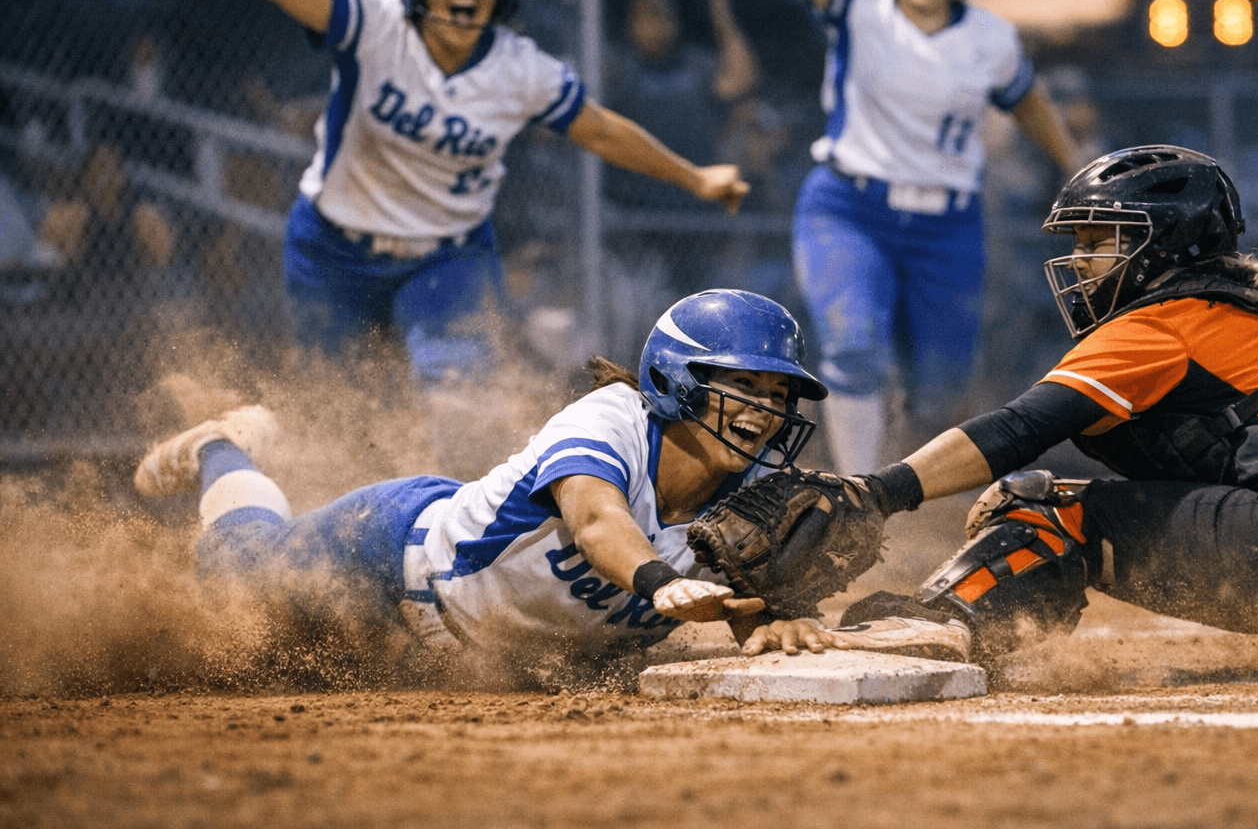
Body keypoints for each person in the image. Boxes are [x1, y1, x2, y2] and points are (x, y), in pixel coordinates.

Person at [847, 145, 1258, 668]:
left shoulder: (1165, 320)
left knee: (1035, 506)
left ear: (1163, 244)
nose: (1079, 261)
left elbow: (1020, 429)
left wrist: (878, 492)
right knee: (1205, 446)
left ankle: (941, 621)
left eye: (1097, 241)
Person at [202, 0, 750, 393]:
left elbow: (602, 131)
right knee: (339, 393)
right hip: (334, 247)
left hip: (446, 255)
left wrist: (695, 177)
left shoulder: (520, 67)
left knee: (458, 388)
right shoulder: (373, 21)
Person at [131, 289, 854, 678]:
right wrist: (659, 582)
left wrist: (773, 617)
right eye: (744, 386)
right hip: (385, 557)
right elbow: (596, 521)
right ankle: (220, 447)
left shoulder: (757, 495)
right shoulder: (613, 419)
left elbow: (744, 600)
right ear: (674, 381)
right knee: (233, 567)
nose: (766, 410)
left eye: (779, 393)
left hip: (464, 654)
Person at [773, 0, 1079, 473]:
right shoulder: (861, 5)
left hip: (948, 223)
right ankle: (857, 493)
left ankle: (912, 491)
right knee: (854, 348)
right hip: (851, 206)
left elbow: (1026, 98)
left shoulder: (991, 38)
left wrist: (1072, 161)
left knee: (942, 385)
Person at [601, 0, 763, 360]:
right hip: (635, 220)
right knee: (638, 321)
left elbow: (742, 80)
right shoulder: (619, 68)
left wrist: (722, 19)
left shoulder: (695, 65)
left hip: (695, 218)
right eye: (646, 16)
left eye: (664, 15)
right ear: (630, 25)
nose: (656, 24)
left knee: (705, 318)